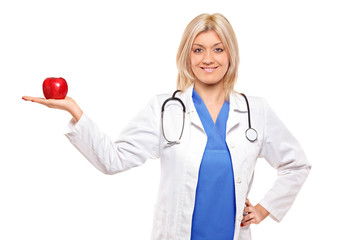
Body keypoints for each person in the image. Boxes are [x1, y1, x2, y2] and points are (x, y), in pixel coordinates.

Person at [23, 13, 311, 240]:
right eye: (198, 49)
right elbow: (113, 160)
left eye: (218, 49)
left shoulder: (255, 111)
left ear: (230, 56)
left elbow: (297, 164)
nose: (208, 58)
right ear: (187, 55)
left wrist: (264, 209)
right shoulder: (164, 110)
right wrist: (75, 111)